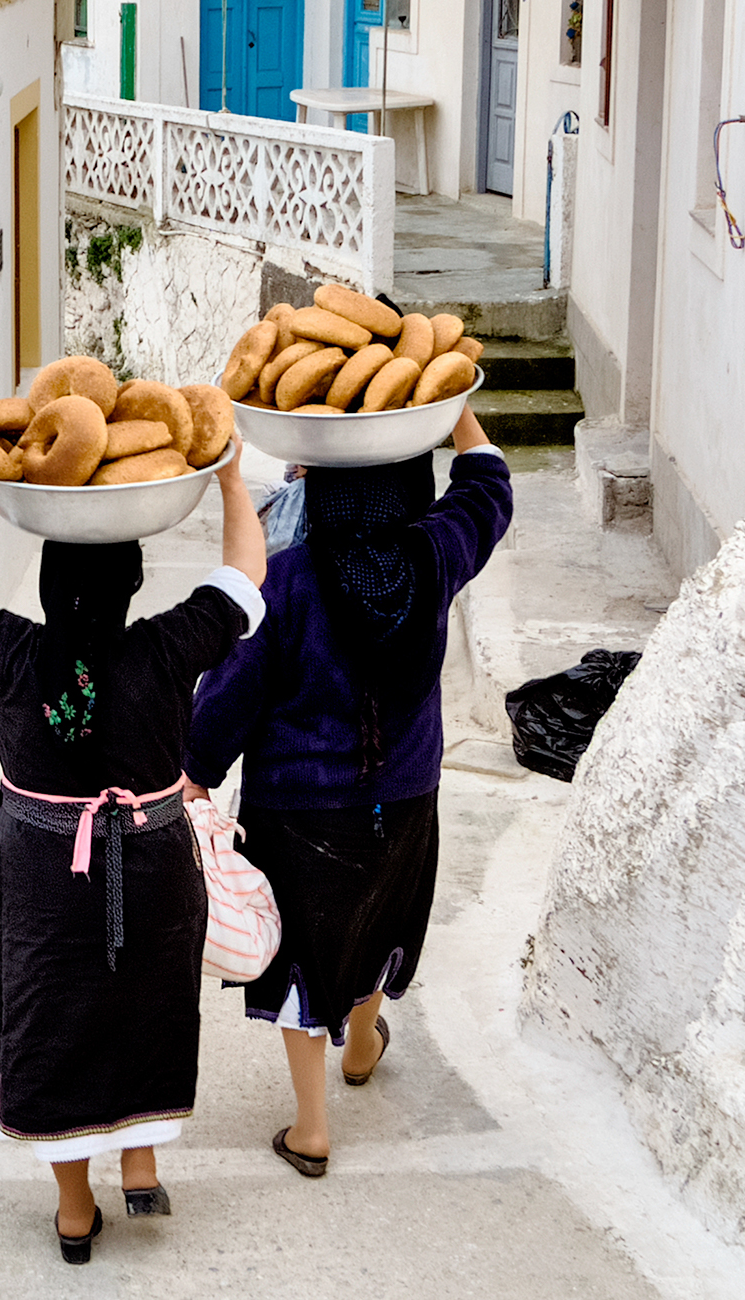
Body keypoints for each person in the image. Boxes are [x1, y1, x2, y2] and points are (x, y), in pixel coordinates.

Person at [0, 436, 266, 1263]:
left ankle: (76, 1214)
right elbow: (245, 581)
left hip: (42, 881)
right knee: (146, 1007)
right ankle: (139, 1157)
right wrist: (231, 482)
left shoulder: (9, 653)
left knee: (54, 1026)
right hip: (153, 867)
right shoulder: (166, 650)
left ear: (46, 587)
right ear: (133, 585)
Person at [182, 406, 512, 1177]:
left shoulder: (285, 581)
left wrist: (193, 773)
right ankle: (362, 1043)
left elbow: (233, 693)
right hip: (403, 795)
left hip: (297, 809)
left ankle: (312, 1129)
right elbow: (489, 489)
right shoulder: (436, 555)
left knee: (304, 956)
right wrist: (456, 411)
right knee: (377, 914)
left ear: (321, 490)